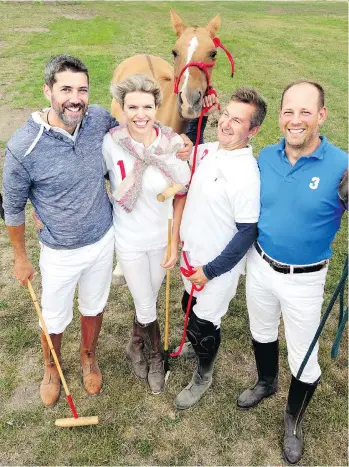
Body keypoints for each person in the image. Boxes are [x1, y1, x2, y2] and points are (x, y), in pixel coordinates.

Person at [2, 55, 192, 407]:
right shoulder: (22, 146)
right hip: (58, 249)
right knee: (55, 314)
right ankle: (51, 368)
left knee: (94, 306)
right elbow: (12, 206)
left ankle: (89, 356)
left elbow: (145, 136)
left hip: (103, 239)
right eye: (66, 89)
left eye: (82, 89)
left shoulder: (98, 123)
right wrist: (20, 257)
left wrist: (181, 141)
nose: (75, 97)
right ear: (47, 91)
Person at [237, 80, 348, 465]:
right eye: (288, 111)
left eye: (305, 112)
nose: (295, 120)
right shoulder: (265, 156)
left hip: (306, 279)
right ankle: (266, 382)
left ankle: (293, 420)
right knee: (261, 331)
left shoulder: (341, 165)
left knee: (305, 359)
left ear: (321, 116)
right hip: (260, 263)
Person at [173, 87, 267, 409]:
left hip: (215, 270)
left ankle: (204, 375)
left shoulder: (246, 174)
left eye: (237, 120)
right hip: (190, 258)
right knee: (188, 302)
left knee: (204, 324)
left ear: (252, 130)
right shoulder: (213, 149)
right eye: (225, 114)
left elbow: (247, 233)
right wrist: (192, 131)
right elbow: (189, 145)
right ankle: (191, 343)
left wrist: (210, 271)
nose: (226, 123)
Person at [102, 74, 191, 394]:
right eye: (132, 107)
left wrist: (174, 241)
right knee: (145, 302)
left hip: (161, 240)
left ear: (157, 106)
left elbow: (183, 189)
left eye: (147, 106)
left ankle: (134, 345)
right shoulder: (110, 142)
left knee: (147, 301)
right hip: (128, 240)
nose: (141, 114)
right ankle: (155, 357)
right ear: (122, 108)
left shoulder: (172, 144)